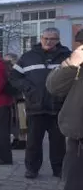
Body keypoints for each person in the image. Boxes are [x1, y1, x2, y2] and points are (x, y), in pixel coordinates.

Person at [10, 28, 71, 178]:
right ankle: (32, 169)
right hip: (35, 107)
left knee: (58, 143)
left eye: (52, 39)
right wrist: (28, 88)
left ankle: (59, 169)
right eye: (46, 38)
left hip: (58, 107)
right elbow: (14, 76)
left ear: (58, 40)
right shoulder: (28, 57)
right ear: (41, 38)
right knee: (33, 142)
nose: (49, 41)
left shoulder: (66, 57)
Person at [40, 42, 83, 190]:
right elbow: (54, 87)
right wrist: (72, 63)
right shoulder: (77, 63)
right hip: (78, 133)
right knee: (73, 183)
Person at [3, 53, 26, 150]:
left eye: (8, 61)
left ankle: (22, 140)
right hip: (14, 99)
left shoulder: (19, 70)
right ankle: (17, 139)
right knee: (15, 121)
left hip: (21, 98)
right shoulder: (8, 69)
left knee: (21, 120)